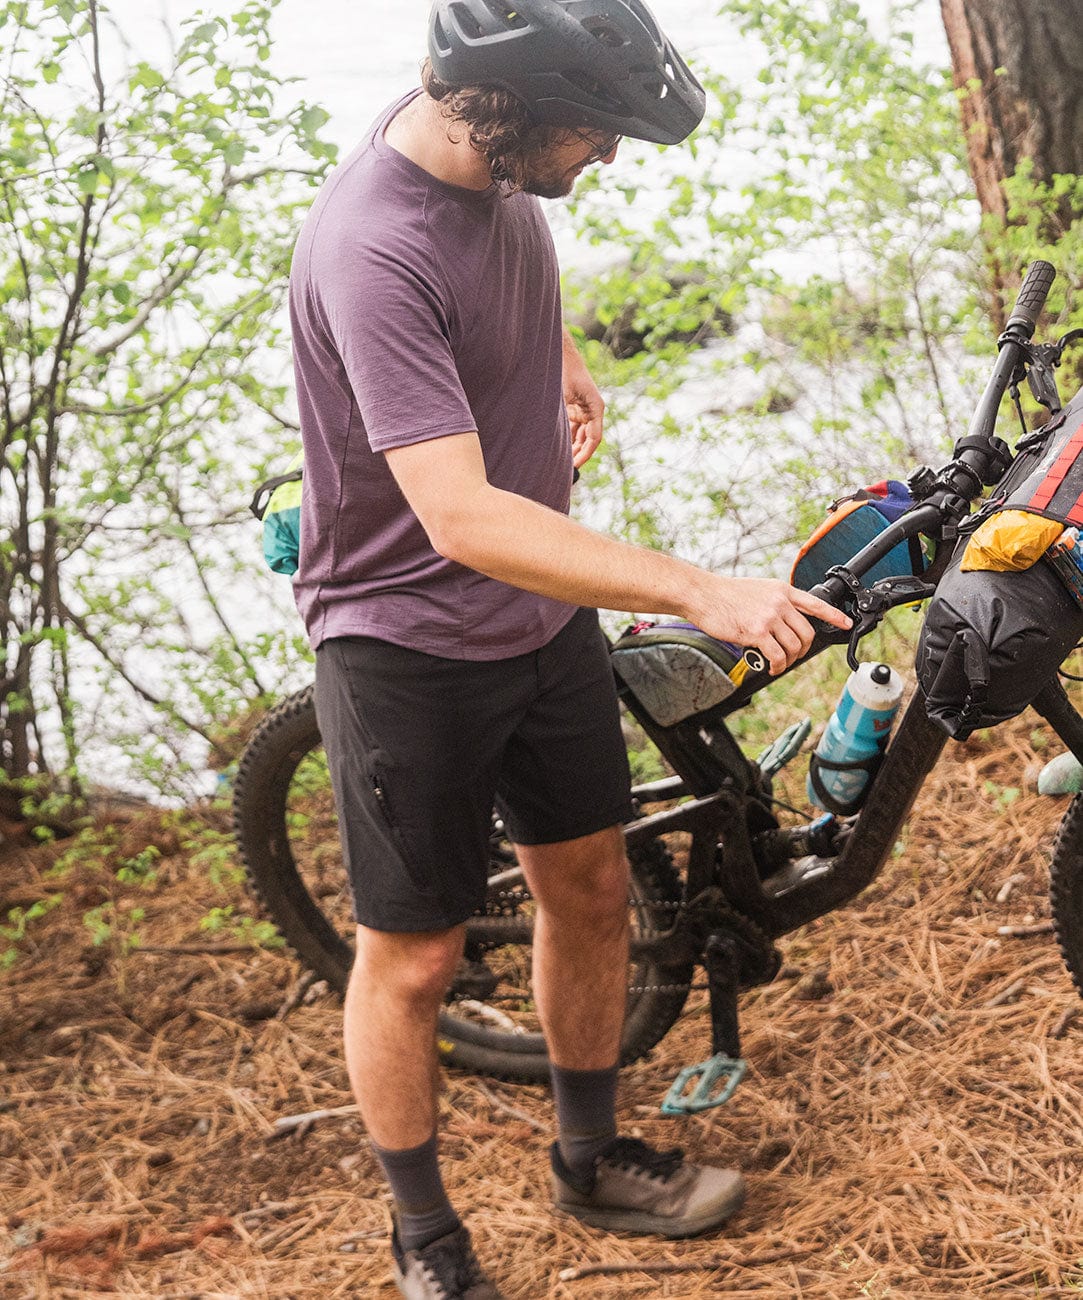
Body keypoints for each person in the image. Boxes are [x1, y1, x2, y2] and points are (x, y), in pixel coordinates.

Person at [288, 2, 851, 1296]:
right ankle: (425, 1238)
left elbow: (489, 278)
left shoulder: (486, 155)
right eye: (596, 131)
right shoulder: (370, 244)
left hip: (537, 615)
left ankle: (591, 1160)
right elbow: (463, 516)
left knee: (590, 890)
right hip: (407, 641)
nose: (607, 156)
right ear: (514, 105)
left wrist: (560, 355)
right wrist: (698, 587)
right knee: (417, 954)